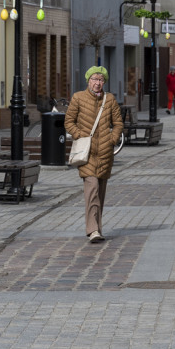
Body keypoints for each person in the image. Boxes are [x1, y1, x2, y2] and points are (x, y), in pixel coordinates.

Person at [65, 66, 124, 243]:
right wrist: (78, 135)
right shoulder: (78, 98)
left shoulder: (110, 99)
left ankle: (97, 228)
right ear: (88, 80)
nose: (97, 83)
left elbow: (118, 123)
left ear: (104, 82)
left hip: (105, 153)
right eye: (94, 79)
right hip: (87, 153)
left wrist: (112, 139)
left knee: (101, 193)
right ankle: (92, 230)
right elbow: (69, 121)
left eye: (100, 80)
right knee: (92, 189)